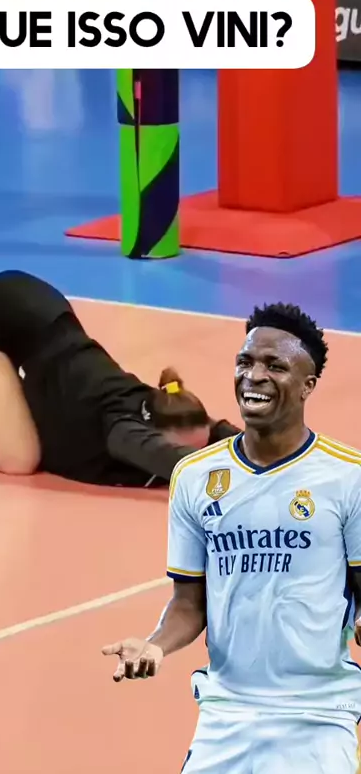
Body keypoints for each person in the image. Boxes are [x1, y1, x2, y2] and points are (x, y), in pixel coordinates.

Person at [102, 302, 361, 774]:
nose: (254, 376)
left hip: (318, 715)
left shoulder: (348, 477)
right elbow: (189, 603)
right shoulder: (195, 476)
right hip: (226, 713)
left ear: (308, 385)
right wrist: (155, 645)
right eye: (245, 362)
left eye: (275, 365)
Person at [0, 270, 239, 487]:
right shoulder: (125, 433)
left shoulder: (167, 406)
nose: (196, 449)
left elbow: (215, 430)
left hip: (38, 306)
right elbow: (181, 466)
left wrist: (267, 448)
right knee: (18, 458)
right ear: (154, 435)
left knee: (37, 425)